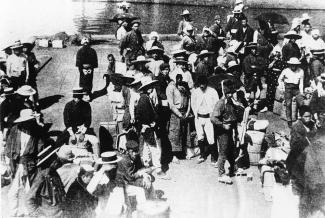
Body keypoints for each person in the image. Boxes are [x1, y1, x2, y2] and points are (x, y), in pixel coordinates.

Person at [6, 108, 47, 217]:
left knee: (29, 190)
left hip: (30, 164)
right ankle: (13, 213)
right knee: (13, 192)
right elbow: (9, 147)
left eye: (30, 121)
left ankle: (28, 211)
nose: (28, 123)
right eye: (26, 121)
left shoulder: (37, 131)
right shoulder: (15, 130)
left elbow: (41, 147)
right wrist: (9, 163)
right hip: (17, 164)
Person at [286, 106, 316, 210]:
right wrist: (307, 140)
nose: (308, 118)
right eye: (305, 116)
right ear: (300, 116)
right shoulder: (296, 127)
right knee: (299, 184)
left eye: (309, 116)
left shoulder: (313, 125)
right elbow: (294, 146)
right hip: (297, 158)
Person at [56, 87, 100, 156]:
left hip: (83, 127)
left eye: (78, 97)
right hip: (71, 128)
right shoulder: (68, 105)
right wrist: (72, 134)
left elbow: (88, 120)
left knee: (95, 140)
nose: (76, 99)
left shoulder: (86, 105)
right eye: (75, 97)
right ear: (73, 96)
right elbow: (66, 121)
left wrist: (83, 133)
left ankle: (96, 157)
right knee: (58, 142)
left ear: (81, 97)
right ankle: (59, 158)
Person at [25, 146, 66, 217]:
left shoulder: (55, 174)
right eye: (54, 160)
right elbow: (29, 200)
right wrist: (38, 215)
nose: (57, 162)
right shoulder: (41, 177)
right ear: (49, 162)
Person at [211, 80, 237, 184]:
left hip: (230, 130)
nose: (231, 95)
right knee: (223, 152)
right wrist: (223, 125)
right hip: (222, 132)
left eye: (231, 93)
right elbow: (213, 118)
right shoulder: (220, 103)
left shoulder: (230, 102)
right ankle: (221, 174)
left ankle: (232, 167)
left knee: (230, 150)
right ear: (225, 93)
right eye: (229, 93)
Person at [191, 75, 219, 164]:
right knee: (200, 137)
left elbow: (216, 104)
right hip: (199, 118)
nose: (202, 86)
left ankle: (214, 157)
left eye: (203, 84)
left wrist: (213, 116)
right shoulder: (195, 92)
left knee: (211, 138)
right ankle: (202, 155)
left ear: (206, 83)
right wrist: (196, 114)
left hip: (208, 118)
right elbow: (193, 104)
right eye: (200, 84)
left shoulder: (212, 91)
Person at [135, 77, 161, 170]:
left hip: (145, 126)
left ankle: (146, 164)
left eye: (151, 86)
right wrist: (151, 123)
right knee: (155, 148)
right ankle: (158, 168)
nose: (151, 87)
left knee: (147, 146)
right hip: (148, 126)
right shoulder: (144, 99)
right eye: (148, 86)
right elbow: (143, 114)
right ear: (144, 88)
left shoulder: (145, 97)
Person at [166, 73, 191, 162]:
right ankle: (174, 156)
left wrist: (187, 113)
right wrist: (179, 114)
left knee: (184, 132)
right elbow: (171, 104)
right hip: (176, 113)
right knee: (175, 134)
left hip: (185, 112)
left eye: (180, 78)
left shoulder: (183, 87)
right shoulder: (170, 88)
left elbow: (189, 98)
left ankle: (184, 152)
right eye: (177, 78)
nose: (179, 79)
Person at [278, 57, 304, 127]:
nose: (293, 66)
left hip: (296, 88)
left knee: (301, 102)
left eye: (295, 65)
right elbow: (280, 79)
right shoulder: (285, 70)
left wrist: (301, 92)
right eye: (292, 64)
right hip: (288, 88)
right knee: (288, 103)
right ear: (290, 64)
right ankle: (289, 120)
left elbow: (301, 83)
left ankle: (300, 117)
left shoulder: (301, 71)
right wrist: (282, 88)